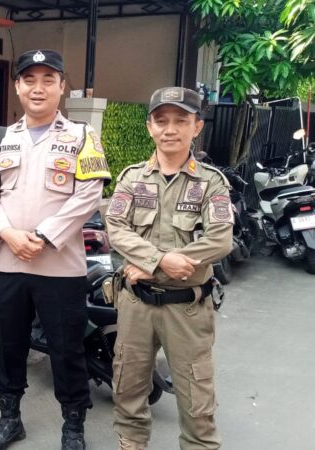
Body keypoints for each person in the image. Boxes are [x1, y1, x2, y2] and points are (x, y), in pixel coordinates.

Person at [0, 49, 111, 450]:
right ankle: (9, 419)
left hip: (60, 268)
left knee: (66, 349)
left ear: (61, 86)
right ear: (17, 86)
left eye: (48, 79)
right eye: (29, 80)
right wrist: (8, 234)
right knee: (9, 345)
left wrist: (46, 235)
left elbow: (89, 194)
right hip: (8, 263)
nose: (38, 88)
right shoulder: (0, 138)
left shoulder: (83, 137)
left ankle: (73, 425)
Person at [105, 87, 232, 450]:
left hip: (187, 308)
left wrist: (149, 266)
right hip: (136, 304)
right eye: (161, 121)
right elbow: (116, 229)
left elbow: (219, 241)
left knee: (196, 399)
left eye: (181, 120)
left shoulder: (211, 182)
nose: (170, 129)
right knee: (128, 388)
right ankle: (131, 443)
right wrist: (160, 261)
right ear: (150, 127)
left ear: (197, 127)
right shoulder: (132, 178)